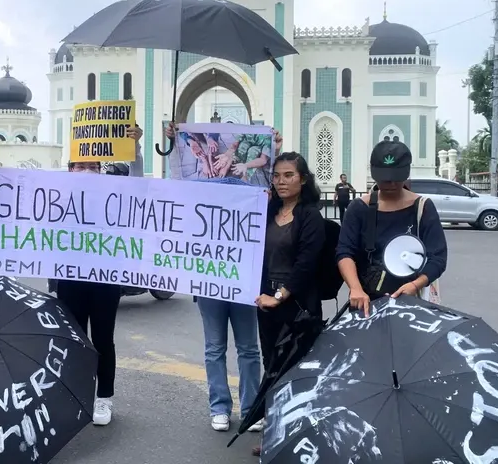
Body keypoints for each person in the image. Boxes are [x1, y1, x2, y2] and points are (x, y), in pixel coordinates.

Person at [164, 123, 262, 433]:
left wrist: (268, 150)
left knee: (248, 348)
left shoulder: (246, 184)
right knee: (214, 348)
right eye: (211, 152)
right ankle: (219, 407)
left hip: (243, 278)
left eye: (225, 151)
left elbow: (266, 183)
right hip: (210, 280)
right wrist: (173, 145)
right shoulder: (197, 184)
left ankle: (251, 408)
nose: (216, 158)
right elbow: (176, 179)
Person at [51, 125, 143, 427]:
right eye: (80, 165)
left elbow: (138, 188)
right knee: (74, 339)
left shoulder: (113, 192)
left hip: (105, 279)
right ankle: (76, 394)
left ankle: (103, 397)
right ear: (70, 168)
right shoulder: (57, 193)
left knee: (103, 339)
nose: (87, 170)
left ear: (101, 168)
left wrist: (135, 149)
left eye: (92, 166)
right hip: (70, 278)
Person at [251, 152, 326, 456]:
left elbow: (307, 265)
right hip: (266, 303)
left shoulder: (310, 216)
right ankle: (274, 435)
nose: (281, 181)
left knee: (296, 370)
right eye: (277, 175)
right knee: (272, 368)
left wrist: (280, 296)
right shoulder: (269, 211)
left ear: (303, 179)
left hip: (296, 307)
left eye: (289, 175)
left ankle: (298, 437)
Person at [336, 140, 448, 317]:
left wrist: (415, 285)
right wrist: (355, 288)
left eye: (396, 178)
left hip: (411, 302)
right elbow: (344, 252)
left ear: (407, 172)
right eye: (384, 178)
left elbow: (438, 258)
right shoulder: (358, 208)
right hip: (366, 302)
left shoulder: (423, 207)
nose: (390, 184)